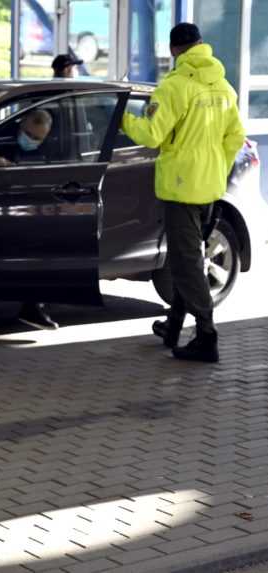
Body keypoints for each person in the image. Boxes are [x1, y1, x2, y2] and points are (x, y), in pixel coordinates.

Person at [122, 23, 245, 363]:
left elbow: (151, 134)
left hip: (180, 188)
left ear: (175, 49)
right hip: (210, 186)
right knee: (186, 256)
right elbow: (235, 138)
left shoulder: (174, 87)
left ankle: (206, 335)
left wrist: (122, 122)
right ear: (201, 46)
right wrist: (216, 167)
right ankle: (174, 325)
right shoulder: (224, 87)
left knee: (187, 262)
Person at [0, 109, 61, 331]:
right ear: (21, 126)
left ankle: (33, 305)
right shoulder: (1, 135)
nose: (33, 142)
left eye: (39, 138)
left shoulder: (50, 147)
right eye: (30, 135)